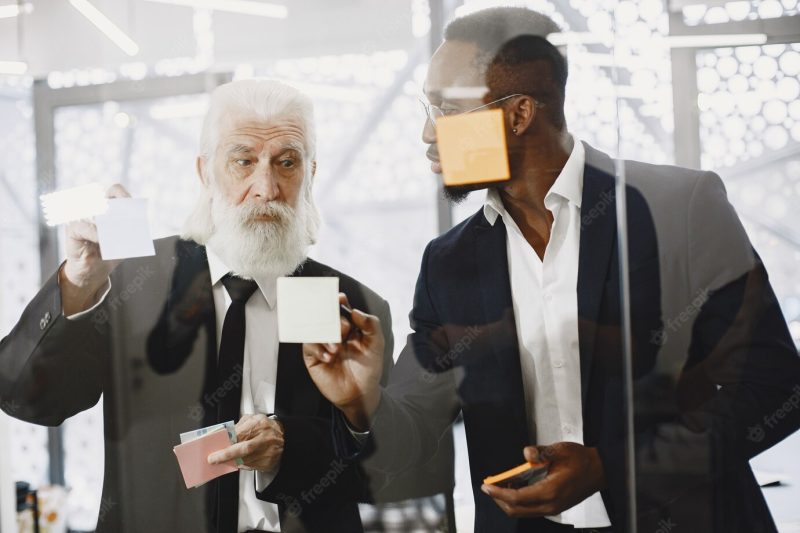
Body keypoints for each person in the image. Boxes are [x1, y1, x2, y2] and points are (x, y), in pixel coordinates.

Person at [302, 7, 800, 533]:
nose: (428, 133)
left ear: (518, 114)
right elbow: (412, 436)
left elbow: (774, 388)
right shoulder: (448, 263)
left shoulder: (678, 207)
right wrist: (361, 400)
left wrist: (611, 468)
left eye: (446, 110)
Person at [0, 79, 394, 533]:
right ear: (205, 172)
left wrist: (301, 443)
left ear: (311, 174)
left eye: (287, 162)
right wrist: (80, 282)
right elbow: (27, 399)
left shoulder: (353, 307)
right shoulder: (133, 281)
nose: (265, 186)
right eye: (242, 161)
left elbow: (383, 470)